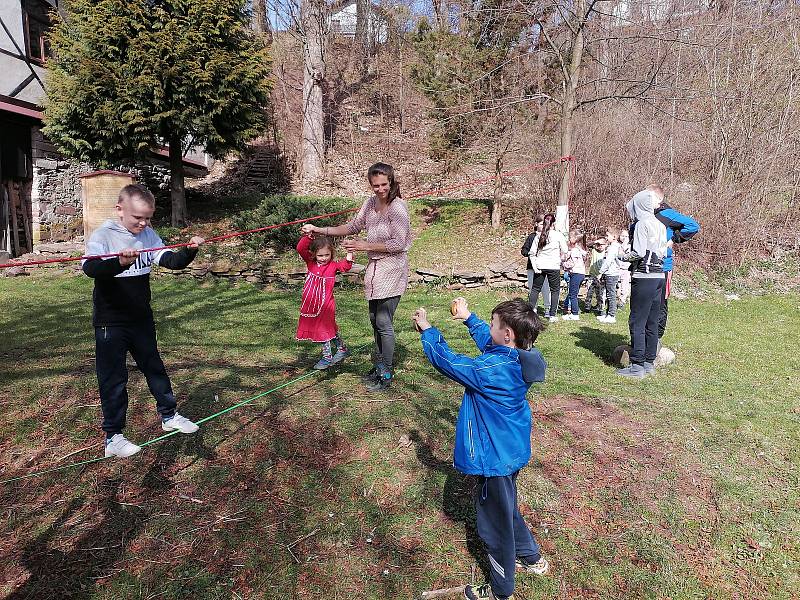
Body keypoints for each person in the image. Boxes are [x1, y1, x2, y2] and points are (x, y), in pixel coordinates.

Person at [413, 298, 549, 600]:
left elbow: (448, 362)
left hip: (493, 458)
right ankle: (531, 557)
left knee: (493, 526)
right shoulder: (521, 358)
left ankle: (501, 589)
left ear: (507, 334)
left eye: (492, 324)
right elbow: (493, 345)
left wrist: (428, 331)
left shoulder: (491, 370)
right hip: (510, 452)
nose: (488, 329)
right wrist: (469, 318)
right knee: (507, 507)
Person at [82, 184, 204, 458]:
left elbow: (171, 261)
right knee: (113, 378)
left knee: (154, 366)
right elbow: (91, 269)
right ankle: (113, 437)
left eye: (148, 217)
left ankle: (169, 416)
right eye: (138, 217)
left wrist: (189, 250)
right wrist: (119, 263)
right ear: (120, 209)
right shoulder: (103, 235)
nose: (143, 223)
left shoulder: (148, 235)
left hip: (140, 319)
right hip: (110, 322)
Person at [301, 162, 411, 393]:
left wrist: (364, 245)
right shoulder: (371, 204)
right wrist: (320, 230)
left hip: (392, 268)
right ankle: (379, 364)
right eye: (375, 185)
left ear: (391, 181)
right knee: (374, 320)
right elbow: (352, 226)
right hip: (375, 270)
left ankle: (387, 370)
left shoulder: (397, 208)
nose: (380, 189)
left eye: (384, 184)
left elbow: (399, 243)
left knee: (384, 321)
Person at [617, 188, 668, 379]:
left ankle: (637, 365)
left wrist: (621, 257)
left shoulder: (641, 225)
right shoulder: (660, 225)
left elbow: (638, 252)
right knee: (652, 321)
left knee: (637, 321)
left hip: (644, 277)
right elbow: (663, 252)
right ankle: (648, 362)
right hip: (659, 277)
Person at [295, 233, 353, 369]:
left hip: (326, 305)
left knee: (323, 329)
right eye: (320, 255)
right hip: (311, 305)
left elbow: (345, 266)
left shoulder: (332, 266)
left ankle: (327, 357)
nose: (324, 258)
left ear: (331, 253)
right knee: (330, 328)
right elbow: (300, 248)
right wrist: (309, 237)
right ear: (314, 254)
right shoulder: (311, 263)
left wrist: (349, 253)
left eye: (327, 255)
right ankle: (342, 349)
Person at [652, 187, 700, 339]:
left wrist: (674, 239)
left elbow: (693, 226)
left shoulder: (667, 214)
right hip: (647, 265)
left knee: (660, 303)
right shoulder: (646, 215)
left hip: (663, 266)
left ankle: (657, 338)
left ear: (658, 200)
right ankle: (646, 337)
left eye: (650, 197)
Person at [526, 213, 568, 323]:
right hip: (553, 266)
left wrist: (535, 267)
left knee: (535, 289)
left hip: (540, 266)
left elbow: (531, 253)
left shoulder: (538, 235)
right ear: (554, 223)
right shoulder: (558, 235)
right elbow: (565, 250)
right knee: (555, 290)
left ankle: (530, 313)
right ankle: (552, 315)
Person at [520, 215, 551, 316]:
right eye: (541, 224)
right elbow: (524, 250)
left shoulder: (549, 236)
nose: (543, 226)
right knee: (532, 288)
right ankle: (533, 308)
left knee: (546, 288)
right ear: (536, 224)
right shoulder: (532, 236)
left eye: (545, 224)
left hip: (545, 267)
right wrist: (530, 253)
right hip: (532, 268)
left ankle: (548, 308)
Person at [597, 227, 622, 324]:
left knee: (611, 295)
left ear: (614, 237)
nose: (606, 237)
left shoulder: (614, 248)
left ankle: (612, 315)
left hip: (612, 274)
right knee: (608, 294)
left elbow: (608, 261)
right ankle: (607, 314)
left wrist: (600, 272)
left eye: (608, 236)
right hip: (609, 273)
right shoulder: (611, 247)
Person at [561, 230, 587, 321]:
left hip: (576, 274)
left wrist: (563, 265)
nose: (568, 238)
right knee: (573, 294)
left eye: (570, 237)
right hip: (580, 274)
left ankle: (574, 313)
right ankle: (573, 312)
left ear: (575, 239)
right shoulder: (579, 250)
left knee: (573, 295)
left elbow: (571, 263)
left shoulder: (575, 250)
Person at [584, 238, 606, 313]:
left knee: (600, 293)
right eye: (598, 245)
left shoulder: (606, 252)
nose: (599, 246)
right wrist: (596, 242)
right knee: (589, 291)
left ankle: (600, 307)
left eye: (601, 245)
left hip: (601, 275)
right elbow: (587, 244)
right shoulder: (594, 250)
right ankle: (587, 306)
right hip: (592, 274)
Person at [617, 229, 632, 307]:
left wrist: (625, 244)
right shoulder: (616, 245)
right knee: (617, 285)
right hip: (617, 268)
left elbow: (627, 254)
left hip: (626, 269)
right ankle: (615, 299)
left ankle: (622, 301)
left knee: (625, 286)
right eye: (622, 236)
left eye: (626, 236)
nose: (624, 238)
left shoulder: (629, 246)